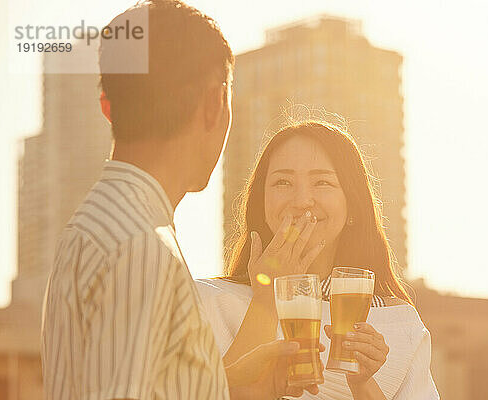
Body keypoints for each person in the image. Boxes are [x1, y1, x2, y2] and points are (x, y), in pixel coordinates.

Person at [40, 1, 321, 399]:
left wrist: (229, 385)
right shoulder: (139, 247)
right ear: (215, 103)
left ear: (107, 108)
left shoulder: (98, 227)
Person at [195, 120, 440, 399]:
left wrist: (363, 383)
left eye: (322, 182)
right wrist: (265, 300)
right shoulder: (207, 300)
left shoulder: (399, 321)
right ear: (262, 203)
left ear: (352, 206)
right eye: (282, 182)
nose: (301, 201)